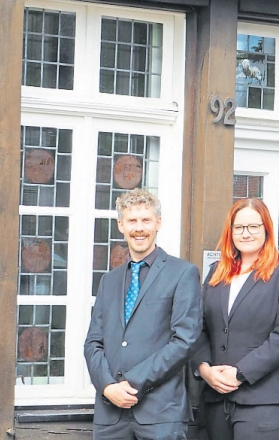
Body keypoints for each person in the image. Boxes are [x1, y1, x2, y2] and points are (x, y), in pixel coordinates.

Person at [84, 189, 201, 440]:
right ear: (121, 225)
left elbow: (184, 341)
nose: (139, 228)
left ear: (158, 222)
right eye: (132, 221)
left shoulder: (182, 273)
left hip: (161, 415)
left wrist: (133, 382)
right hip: (110, 415)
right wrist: (107, 386)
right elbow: (93, 342)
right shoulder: (109, 281)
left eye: (146, 220)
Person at [190, 198, 279, 440]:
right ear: (230, 231)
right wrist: (204, 369)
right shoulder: (217, 272)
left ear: (266, 229)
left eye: (253, 226)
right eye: (239, 227)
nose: (246, 233)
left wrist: (240, 373)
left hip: (264, 401)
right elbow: (199, 327)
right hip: (215, 399)